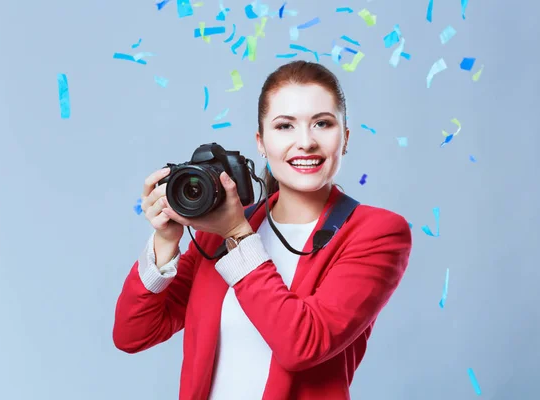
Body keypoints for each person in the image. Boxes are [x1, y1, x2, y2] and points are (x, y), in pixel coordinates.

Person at [113, 60, 412, 400]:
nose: (305, 142)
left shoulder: (377, 232)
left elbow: (302, 345)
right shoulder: (216, 233)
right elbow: (132, 334)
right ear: (261, 142)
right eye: (285, 126)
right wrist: (165, 241)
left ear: (344, 139)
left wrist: (238, 234)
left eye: (322, 124)